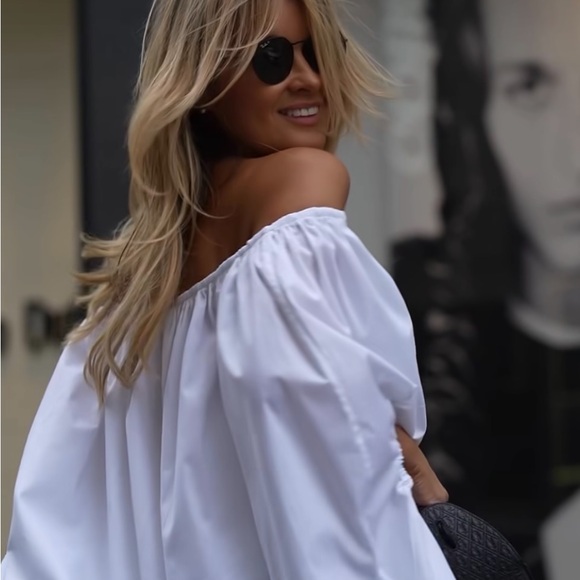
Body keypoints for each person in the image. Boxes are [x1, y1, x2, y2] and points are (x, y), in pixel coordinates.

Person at [2, 0, 455, 578]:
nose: (308, 78)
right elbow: (341, 501)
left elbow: (55, 539)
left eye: (321, 54)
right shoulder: (301, 185)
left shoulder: (126, 305)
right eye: (271, 58)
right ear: (205, 79)